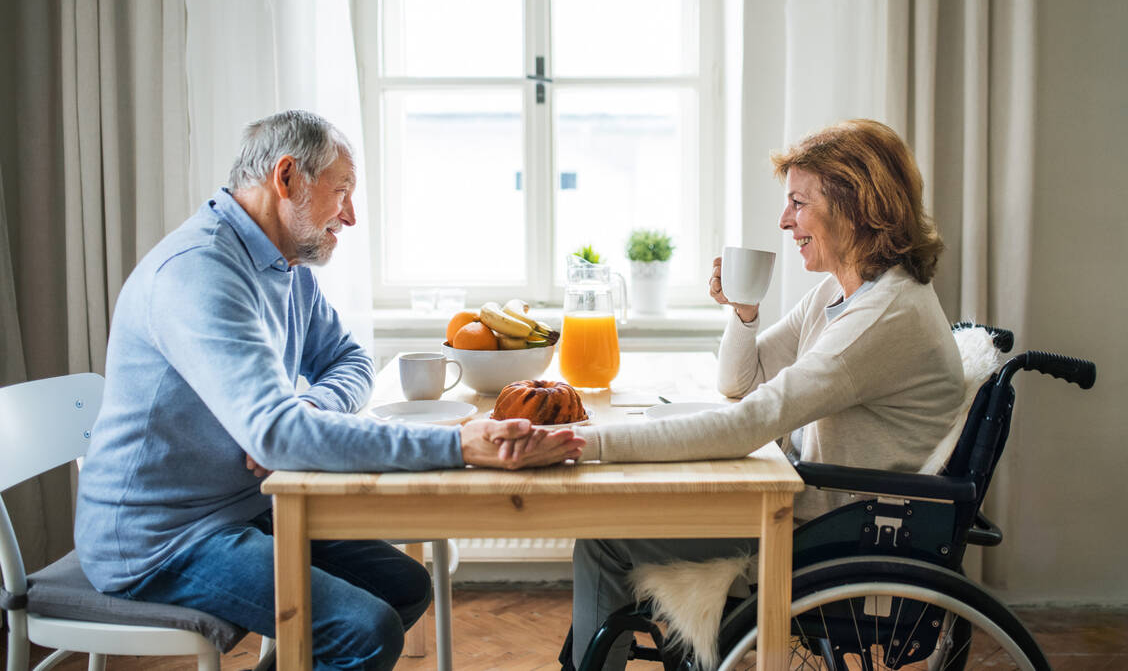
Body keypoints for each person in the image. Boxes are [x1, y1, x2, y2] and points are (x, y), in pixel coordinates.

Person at [74, 110, 583, 671]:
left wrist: (311, 404)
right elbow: (276, 438)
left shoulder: (283, 266)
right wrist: (461, 444)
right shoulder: (200, 272)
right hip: (159, 539)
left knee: (405, 585)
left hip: (238, 510)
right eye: (341, 191)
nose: (352, 215)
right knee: (363, 631)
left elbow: (350, 359)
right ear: (286, 178)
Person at [563, 119, 964, 670]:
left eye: (799, 202)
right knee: (618, 528)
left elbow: (751, 420)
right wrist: (744, 310)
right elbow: (739, 383)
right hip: (821, 519)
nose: (784, 220)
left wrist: (590, 442)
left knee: (604, 540)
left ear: (855, 204)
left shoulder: (884, 315)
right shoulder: (844, 294)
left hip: (835, 542)